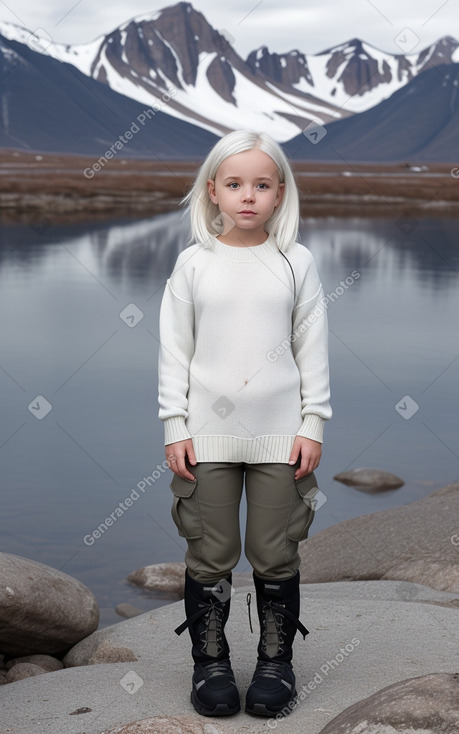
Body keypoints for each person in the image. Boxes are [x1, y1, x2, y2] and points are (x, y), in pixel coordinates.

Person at [157, 129, 332, 719]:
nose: (248, 196)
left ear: (280, 193)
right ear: (213, 191)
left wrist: (314, 423)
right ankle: (210, 663)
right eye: (235, 184)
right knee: (211, 552)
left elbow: (313, 347)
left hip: (282, 436)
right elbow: (173, 351)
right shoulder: (193, 263)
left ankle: (275, 663)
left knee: (274, 550)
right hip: (205, 435)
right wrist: (174, 425)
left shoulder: (296, 262)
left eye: (262, 184)